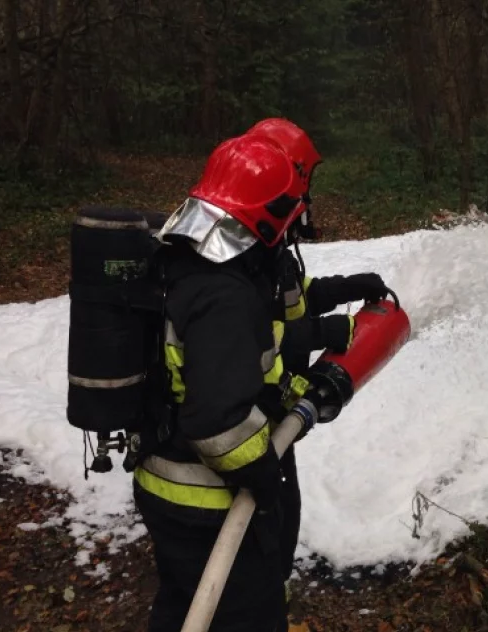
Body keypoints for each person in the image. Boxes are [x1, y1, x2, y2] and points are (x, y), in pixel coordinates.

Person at [133, 132, 384, 632]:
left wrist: (343, 293)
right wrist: (264, 475)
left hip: (170, 489)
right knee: (246, 613)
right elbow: (217, 422)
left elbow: (264, 325)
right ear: (271, 209)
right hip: (211, 502)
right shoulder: (223, 291)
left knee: (185, 604)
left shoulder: (205, 258)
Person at [245, 119, 389, 615]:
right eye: (305, 183)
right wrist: (325, 334)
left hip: (266, 418)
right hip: (242, 427)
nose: (307, 197)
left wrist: (344, 288)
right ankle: (261, 610)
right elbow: (252, 333)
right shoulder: (243, 250)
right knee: (266, 529)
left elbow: (291, 301)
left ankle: (268, 602)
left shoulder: (268, 245)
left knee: (282, 517)